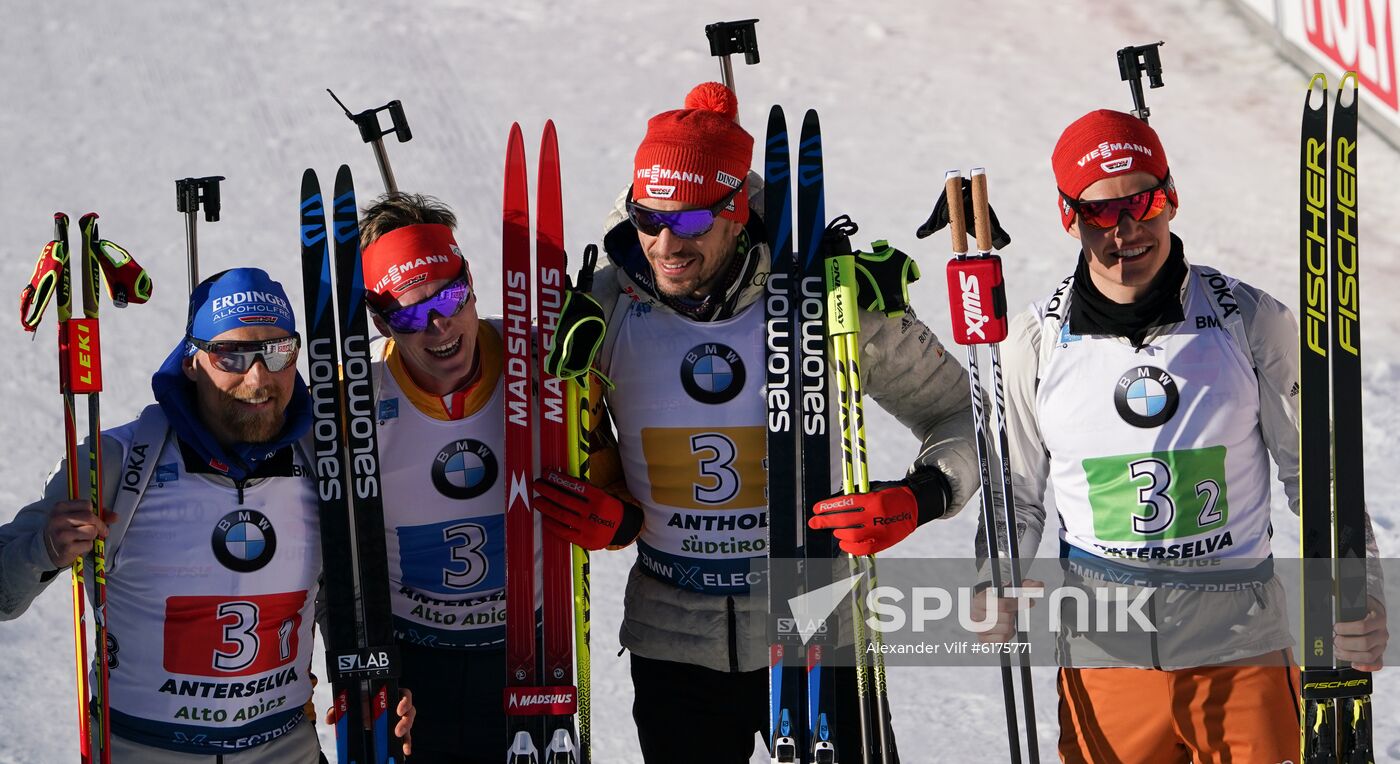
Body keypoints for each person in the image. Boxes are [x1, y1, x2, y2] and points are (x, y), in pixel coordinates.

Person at [531, 82, 982, 763]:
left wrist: (923, 496)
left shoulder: (829, 295)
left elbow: (965, 413)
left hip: (817, 622)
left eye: (688, 223)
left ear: (737, 211)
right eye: (647, 218)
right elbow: (558, 450)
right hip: (673, 638)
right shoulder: (604, 309)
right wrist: (612, 511)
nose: (663, 242)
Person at [983, 109, 1388, 762]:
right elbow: (1017, 492)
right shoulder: (1035, 344)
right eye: (1101, 211)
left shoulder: (1250, 321)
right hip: (1104, 664)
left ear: (1170, 195)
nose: (1126, 228)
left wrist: (1360, 592)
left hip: (1242, 651)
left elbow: (1319, 473)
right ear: (1071, 217)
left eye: (1142, 200)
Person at [0, 268, 415, 763]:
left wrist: (374, 681)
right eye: (231, 355)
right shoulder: (114, 462)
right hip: (143, 748)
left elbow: (335, 596)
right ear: (193, 361)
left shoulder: (323, 460)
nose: (258, 377)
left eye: (278, 351)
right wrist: (42, 549)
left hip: (282, 747)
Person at [356, 193, 508, 762]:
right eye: (412, 315)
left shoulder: (540, 363)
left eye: (449, 297)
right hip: (412, 670)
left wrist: (615, 518)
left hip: (523, 654)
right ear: (381, 321)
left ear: (471, 285)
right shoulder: (356, 398)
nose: (440, 326)